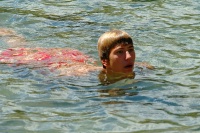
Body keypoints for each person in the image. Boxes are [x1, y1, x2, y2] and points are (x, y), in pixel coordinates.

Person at [0, 28, 153, 83]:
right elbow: (56, 74)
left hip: (75, 57)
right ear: (105, 61)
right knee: (17, 53)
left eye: (131, 50)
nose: (129, 57)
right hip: (53, 61)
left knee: (24, 47)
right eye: (120, 52)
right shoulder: (83, 75)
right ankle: (6, 32)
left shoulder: (142, 68)